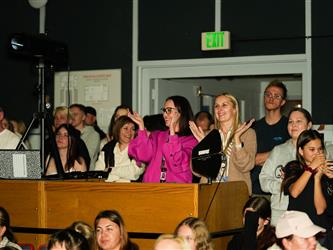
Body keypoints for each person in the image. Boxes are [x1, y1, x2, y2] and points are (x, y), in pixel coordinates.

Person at [189, 93, 256, 194]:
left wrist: (237, 140)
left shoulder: (247, 133)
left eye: (224, 105)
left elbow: (246, 166)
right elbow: (196, 171)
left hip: (236, 193)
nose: (219, 109)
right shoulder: (208, 135)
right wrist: (205, 146)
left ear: (234, 109)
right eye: (216, 106)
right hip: (209, 192)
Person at [259, 107, 313, 225]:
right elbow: (263, 180)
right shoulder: (278, 150)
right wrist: (284, 186)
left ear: (309, 125)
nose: (293, 125)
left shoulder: (318, 151)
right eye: (290, 122)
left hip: (309, 212)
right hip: (281, 212)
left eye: (298, 121)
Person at [128, 95, 198, 183]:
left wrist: (172, 133)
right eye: (164, 110)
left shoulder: (192, 141)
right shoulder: (158, 136)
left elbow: (177, 164)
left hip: (176, 192)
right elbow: (143, 156)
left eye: (169, 110)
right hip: (151, 190)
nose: (165, 114)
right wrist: (141, 128)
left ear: (181, 113)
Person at [282, 129, 333, 231]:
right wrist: (311, 168)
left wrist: (318, 179)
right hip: (298, 228)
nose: (317, 154)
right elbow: (294, 192)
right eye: (312, 149)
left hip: (321, 229)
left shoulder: (328, 170)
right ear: (301, 151)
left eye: (320, 149)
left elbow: (320, 210)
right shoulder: (294, 167)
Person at [252, 80, 290, 196]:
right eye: (268, 94)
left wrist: (261, 158)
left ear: (283, 102)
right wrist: (277, 154)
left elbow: (290, 157)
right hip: (255, 190)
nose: (271, 98)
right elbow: (249, 160)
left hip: (280, 190)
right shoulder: (253, 127)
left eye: (276, 96)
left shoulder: (289, 126)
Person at [95, 116, 145, 182]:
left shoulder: (139, 148)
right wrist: (122, 175)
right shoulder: (108, 148)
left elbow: (134, 173)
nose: (129, 132)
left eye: (132, 129)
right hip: (107, 190)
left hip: (131, 190)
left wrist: (110, 170)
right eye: (125, 128)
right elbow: (98, 174)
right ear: (118, 130)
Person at [70, 104, 100, 170]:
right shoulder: (66, 133)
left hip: (86, 173)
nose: (72, 117)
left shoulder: (93, 134)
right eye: (69, 115)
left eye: (75, 114)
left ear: (83, 117)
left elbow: (86, 156)